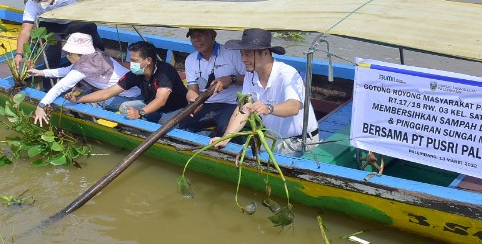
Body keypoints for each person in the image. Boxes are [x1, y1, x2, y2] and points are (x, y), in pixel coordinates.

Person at [210, 28, 320, 157]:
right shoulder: (250, 75)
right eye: (242, 54)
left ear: (266, 53)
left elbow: (294, 107)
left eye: (248, 54)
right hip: (273, 138)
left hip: (299, 142)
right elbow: (244, 108)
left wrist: (269, 108)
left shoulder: (287, 73)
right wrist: (225, 138)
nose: (243, 59)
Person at [28, 33, 141, 126]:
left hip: (127, 96)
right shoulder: (94, 54)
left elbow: (61, 86)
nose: (67, 56)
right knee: (79, 95)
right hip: (125, 88)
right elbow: (67, 70)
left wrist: (41, 105)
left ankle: (94, 124)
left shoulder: (84, 67)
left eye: (68, 53)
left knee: (79, 102)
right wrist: (40, 72)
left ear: (79, 53)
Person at [14, 0, 118, 76]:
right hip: (50, 24)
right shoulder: (31, 3)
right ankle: (49, 86)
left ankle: (101, 58)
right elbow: (25, 31)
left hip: (72, 19)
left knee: (91, 27)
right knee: (52, 57)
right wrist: (19, 54)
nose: (40, 2)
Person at [68, 41, 188, 124]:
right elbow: (108, 93)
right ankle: (144, 125)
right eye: (130, 60)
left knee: (163, 122)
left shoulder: (164, 71)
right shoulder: (135, 73)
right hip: (151, 105)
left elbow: (160, 100)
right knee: (125, 107)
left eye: (134, 60)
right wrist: (79, 99)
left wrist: (139, 113)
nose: (131, 64)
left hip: (175, 107)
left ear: (148, 60)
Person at [178, 28, 246, 136]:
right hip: (206, 104)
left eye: (201, 34)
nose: (197, 39)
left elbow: (251, 79)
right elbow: (192, 89)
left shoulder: (232, 53)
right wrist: (193, 100)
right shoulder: (190, 59)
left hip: (231, 104)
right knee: (179, 125)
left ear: (213, 35)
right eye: (193, 36)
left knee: (227, 131)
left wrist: (232, 79)